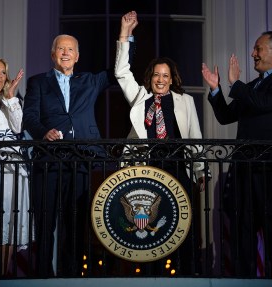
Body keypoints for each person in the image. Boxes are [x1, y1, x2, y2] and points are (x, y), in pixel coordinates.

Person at [22, 27, 136, 277]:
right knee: (45, 222)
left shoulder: (90, 81)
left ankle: (70, 276)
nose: (65, 53)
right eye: (61, 49)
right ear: (53, 55)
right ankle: (42, 277)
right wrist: (44, 132)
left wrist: (125, 36)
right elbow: (29, 116)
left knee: (75, 225)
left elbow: (119, 69)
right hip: (49, 162)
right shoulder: (38, 82)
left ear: (77, 56)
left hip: (81, 160)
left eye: (70, 49)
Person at [115, 11, 208, 275]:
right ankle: (150, 275)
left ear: (172, 78)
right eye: (157, 74)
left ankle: (187, 273)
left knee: (183, 226)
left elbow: (195, 137)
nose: (160, 79)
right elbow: (121, 73)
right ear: (151, 76)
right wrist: (125, 35)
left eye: (165, 75)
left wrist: (201, 171)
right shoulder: (140, 97)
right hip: (148, 168)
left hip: (179, 167)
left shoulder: (185, 101)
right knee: (154, 228)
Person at [202, 31, 272, 277]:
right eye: (254, 49)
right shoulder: (252, 86)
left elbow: (264, 104)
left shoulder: (251, 88)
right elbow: (226, 117)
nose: (253, 54)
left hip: (267, 169)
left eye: (258, 49)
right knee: (244, 228)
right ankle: (245, 281)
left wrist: (236, 85)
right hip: (244, 168)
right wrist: (215, 90)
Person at [0, 58, 29, 276]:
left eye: (3, 72)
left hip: (13, 167)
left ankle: (3, 276)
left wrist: (10, 97)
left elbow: (18, 126)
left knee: (9, 221)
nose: (0, 76)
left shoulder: (7, 101)